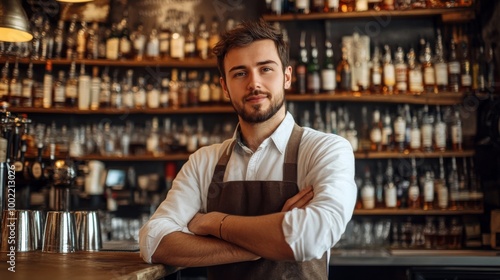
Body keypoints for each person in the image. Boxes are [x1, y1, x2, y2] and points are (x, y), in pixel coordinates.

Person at [139, 19, 357, 279]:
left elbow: (310, 238)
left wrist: (212, 222)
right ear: (224, 87)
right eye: (240, 73)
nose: (254, 83)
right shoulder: (203, 162)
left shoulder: (324, 149)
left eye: (266, 69)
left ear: (287, 77)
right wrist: (269, 240)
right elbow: (153, 241)